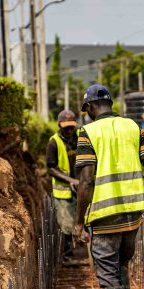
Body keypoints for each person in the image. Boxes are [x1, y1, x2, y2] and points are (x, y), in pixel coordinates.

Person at [74, 84, 144, 289]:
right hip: (132, 212)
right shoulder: (133, 127)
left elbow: (86, 181)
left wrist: (79, 220)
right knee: (121, 263)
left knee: (108, 271)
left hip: (104, 213)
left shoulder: (88, 132)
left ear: (89, 108)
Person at [47, 109, 80, 262]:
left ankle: (81, 250)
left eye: (71, 127)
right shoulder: (54, 142)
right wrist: (70, 180)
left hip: (82, 187)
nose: (69, 130)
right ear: (59, 124)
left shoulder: (79, 138)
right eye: (66, 127)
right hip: (64, 191)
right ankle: (67, 256)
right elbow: (51, 168)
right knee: (66, 225)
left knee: (82, 220)